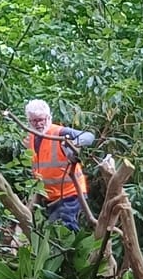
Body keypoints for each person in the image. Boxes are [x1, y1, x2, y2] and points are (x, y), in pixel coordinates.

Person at [24, 99, 96, 231]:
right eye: (34, 121)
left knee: (63, 229)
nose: (38, 124)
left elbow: (89, 136)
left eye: (41, 119)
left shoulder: (60, 133)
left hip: (70, 193)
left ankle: (72, 251)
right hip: (50, 197)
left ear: (48, 117)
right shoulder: (31, 138)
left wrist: (75, 143)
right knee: (51, 231)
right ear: (29, 121)